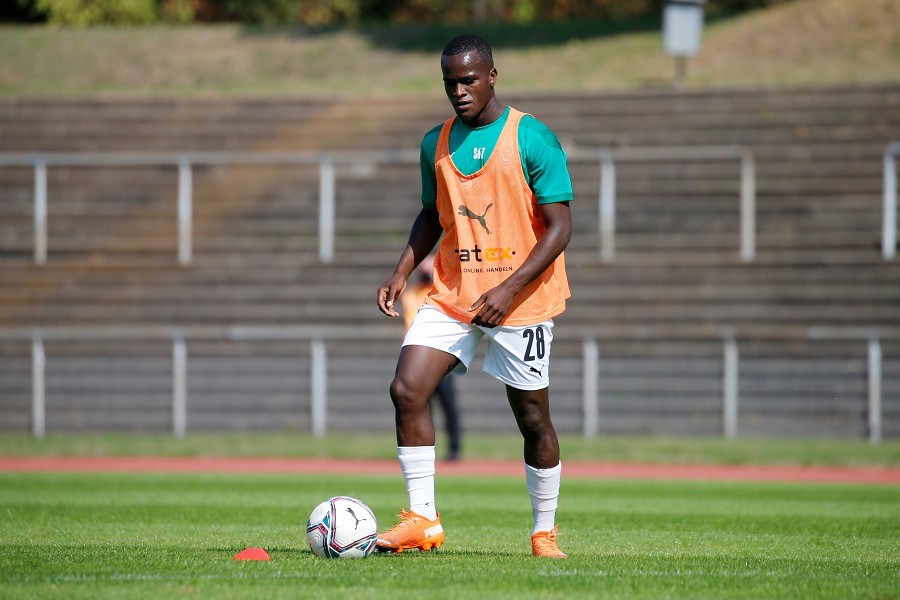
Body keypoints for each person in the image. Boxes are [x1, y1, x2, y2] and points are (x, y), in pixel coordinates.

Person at [375, 33, 573, 558]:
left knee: (533, 419)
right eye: (450, 82)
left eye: (468, 80)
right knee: (406, 389)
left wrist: (508, 289)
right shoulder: (434, 143)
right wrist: (401, 271)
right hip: (452, 293)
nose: (459, 91)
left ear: (491, 76)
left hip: (522, 299)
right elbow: (430, 215)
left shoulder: (532, 137)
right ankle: (423, 519)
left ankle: (543, 531)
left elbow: (559, 228)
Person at [399, 253, 463, 462]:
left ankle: (454, 449)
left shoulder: (441, 293)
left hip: (440, 355)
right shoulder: (411, 294)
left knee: (448, 405)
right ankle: (421, 451)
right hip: (419, 355)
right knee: (417, 404)